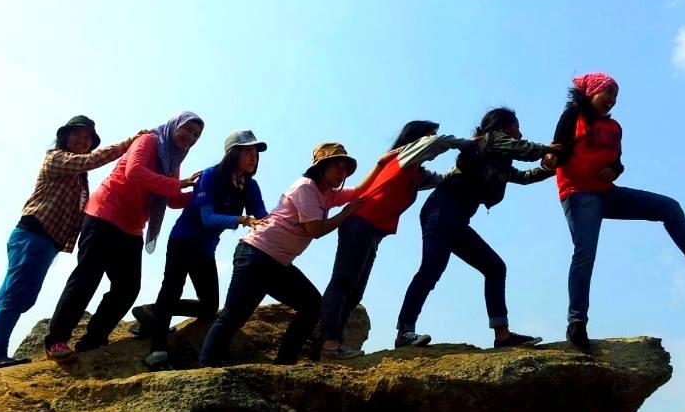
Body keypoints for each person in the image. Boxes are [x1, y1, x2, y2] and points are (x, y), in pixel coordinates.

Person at [543, 72, 685, 352]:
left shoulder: (614, 128)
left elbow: (618, 163)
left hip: (606, 193)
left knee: (669, 207)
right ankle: (576, 323)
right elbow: (559, 148)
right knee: (585, 252)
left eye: (616, 97)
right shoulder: (573, 116)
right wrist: (550, 157)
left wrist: (613, 170)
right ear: (591, 92)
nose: (612, 100)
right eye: (608, 94)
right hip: (579, 193)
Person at [0, 116, 139, 369]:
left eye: (87, 137)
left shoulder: (79, 176)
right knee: (17, 296)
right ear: (64, 137)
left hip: (41, 239)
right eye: (77, 134)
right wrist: (128, 143)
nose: (83, 140)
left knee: (5, 294)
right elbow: (91, 160)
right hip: (35, 234)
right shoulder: (57, 159)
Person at [199, 142, 386, 367]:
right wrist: (345, 214)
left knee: (312, 305)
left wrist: (379, 166)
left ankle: (285, 361)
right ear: (321, 167)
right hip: (256, 254)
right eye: (337, 166)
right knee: (233, 315)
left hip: (276, 262)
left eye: (345, 169)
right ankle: (208, 364)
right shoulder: (305, 187)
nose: (342, 173)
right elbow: (314, 230)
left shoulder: (327, 194)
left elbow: (357, 192)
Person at [43, 112, 204, 363]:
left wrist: (202, 194)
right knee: (86, 278)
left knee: (128, 288)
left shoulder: (172, 160)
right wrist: (179, 184)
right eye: (188, 130)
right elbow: (135, 172)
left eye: (196, 135)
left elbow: (172, 199)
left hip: (131, 227)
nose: (190, 137)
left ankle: (94, 339)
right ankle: (56, 340)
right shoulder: (150, 141)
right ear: (174, 126)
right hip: (104, 214)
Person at [395, 108, 559, 350]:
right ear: (503, 127)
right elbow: (526, 150)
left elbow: (524, 176)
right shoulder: (491, 140)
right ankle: (405, 332)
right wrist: (550, 150)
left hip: (455, 219)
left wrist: (549, 168)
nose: (520, 132)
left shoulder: (497, 158)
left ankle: (502, 336)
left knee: (494, 267)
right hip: (441, 211)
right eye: (516, 126)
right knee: (431, 270)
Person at [320, 121, 473, 360]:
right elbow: (436, 142)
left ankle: (333, 342)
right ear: (418, 138)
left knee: (354, 291)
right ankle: (329, 343)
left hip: (372, 231)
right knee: (343, 282)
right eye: (428, 135)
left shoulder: (415, 171)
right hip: (360, 223)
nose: (431, 140)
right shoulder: (404, 155)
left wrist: (466, 168)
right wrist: (470, 145)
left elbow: (444, 178)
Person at [136, 129, 269, 371]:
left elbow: (263, 217)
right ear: (233, 153)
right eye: (248, 151)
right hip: (184, 240)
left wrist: (290, 223)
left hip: (206, 249)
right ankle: (157, 352)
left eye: (256, 153)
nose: (254, 157)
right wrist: (241, 220)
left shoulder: (250, 186)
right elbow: (207, 218)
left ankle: (152, 312)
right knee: (172, 289)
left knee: (209, 307)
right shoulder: (210, 176)